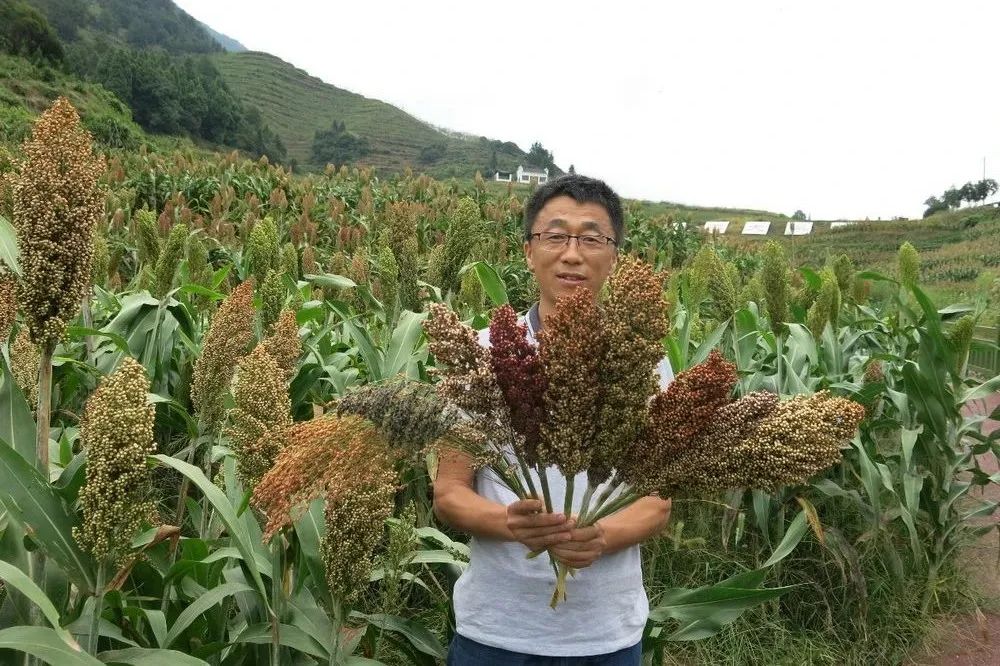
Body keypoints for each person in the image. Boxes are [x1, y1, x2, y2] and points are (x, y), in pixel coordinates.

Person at [433, 174, 674, 665]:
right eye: (555, 235)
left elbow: (657, 502)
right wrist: (509, 522)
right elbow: (449, 494)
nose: (572, 253)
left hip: (605, 636)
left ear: (614, 257)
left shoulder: (644, 362)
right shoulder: (480, 355)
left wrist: (601, 536)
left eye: (591, 238)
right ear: (528, 251)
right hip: (496, 633)